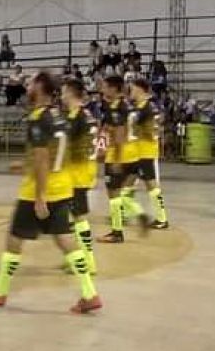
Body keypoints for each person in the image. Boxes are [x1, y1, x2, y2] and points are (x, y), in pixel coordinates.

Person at [0, 72, 102, 314]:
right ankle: (89, 293)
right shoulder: (60, 117)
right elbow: (55, 155)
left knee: (14, 238)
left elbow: (43, 158)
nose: (27, 86)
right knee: (64, 239)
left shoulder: (37, 118)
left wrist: (40, 195)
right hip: (62, 187)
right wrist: (26, 165)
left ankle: (0, 292)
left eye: (31, 82)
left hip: (37, 192)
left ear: (40, 87)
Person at [98, 75, 148, 243]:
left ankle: (117, 232)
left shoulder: (116, 107)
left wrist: (116, 160)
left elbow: (119, 134)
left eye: (105, 87)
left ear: (113, 89)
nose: (102, 90)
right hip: (134, 153)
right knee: (123, 193)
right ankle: (138, 213)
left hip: (119, 155)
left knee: (113, 194)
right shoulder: (129, 106)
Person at [61, 78, 99, 275]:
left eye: (63, 92)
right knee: (74, 216)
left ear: (70, 93)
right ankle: (77, 256)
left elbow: (64, 146)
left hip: (77, 173)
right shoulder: (87, 114)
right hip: (85, 170)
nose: (61, 96)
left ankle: (88, 261)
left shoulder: (77, 118)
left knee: (79, 216)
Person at [129, 79, 170, 229]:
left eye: (132, 89)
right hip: (137, 152)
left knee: (151, 184)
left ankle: (161, 218)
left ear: (140, 90)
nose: (130, 91)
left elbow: (154, 131)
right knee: (128, 183)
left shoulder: (149, 107)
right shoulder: (139, 107)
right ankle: (126, 213)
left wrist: (140, 131)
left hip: (146, 152)